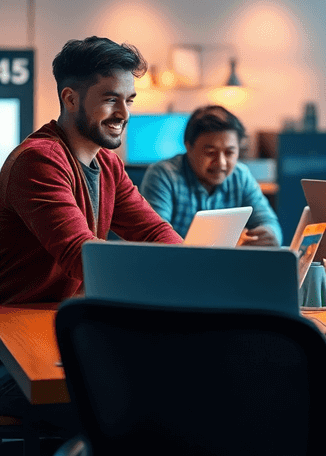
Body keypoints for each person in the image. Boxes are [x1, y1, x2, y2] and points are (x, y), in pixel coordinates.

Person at [0, 36, 183, 421]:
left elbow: (154, 232)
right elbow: (84, 257)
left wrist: (196, 269)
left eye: (129, 100)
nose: (124, 113)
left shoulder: (107, 165)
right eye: (110, 99)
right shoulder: (40, 161)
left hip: (54, 329)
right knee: (144, 398)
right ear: (70, 99)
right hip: (10, 350)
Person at [140, 105, 282, 246]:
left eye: (229, 153)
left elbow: (270, 224)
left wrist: (269, 234)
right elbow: (155, 241)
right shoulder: (163, 175)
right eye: (210, 153)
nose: (221, 163)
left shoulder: (241, 176)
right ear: (189, 147)